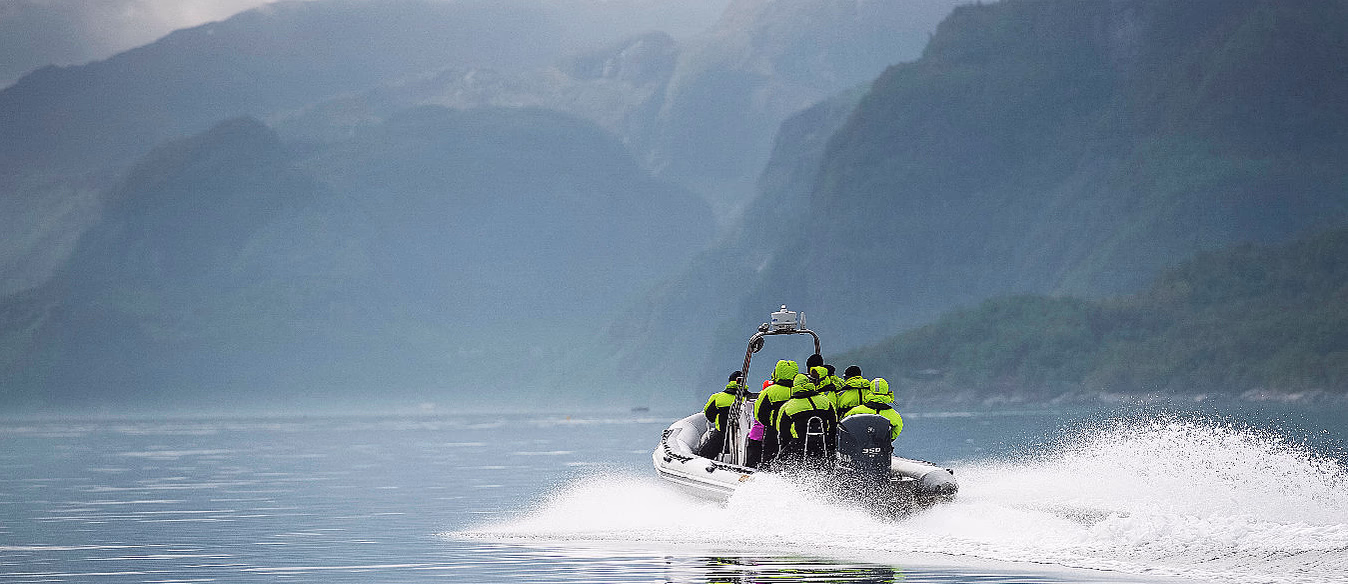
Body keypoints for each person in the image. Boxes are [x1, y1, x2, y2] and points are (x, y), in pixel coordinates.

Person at [775, 367, 838, 466]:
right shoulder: (825, 401)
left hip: (799, 445)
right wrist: (830, 441)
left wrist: (786, 446)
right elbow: (833, 422)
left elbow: (782, 430)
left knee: (779, 462)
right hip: (822, 443)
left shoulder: (788, 406)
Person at [753, 359, 798, 468]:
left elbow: (759, 413)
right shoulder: (798, 390)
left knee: (769, 456)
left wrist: (770, 423)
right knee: (790, 458)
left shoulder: (770, 391)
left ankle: (767, 476)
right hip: (795, 431)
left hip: (773, 430)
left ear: (777, 372)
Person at [697, 370, 745, 458]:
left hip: (722, 433)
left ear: (730, 381)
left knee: (704, 455)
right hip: (743, 437)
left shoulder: (718, 397)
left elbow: (709, 415)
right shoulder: (748, 398)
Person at [745, 379, 772, 468]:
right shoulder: (778, 401)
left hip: (756, 435)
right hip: (770, 436)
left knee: (752, 461)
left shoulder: (759, 401)